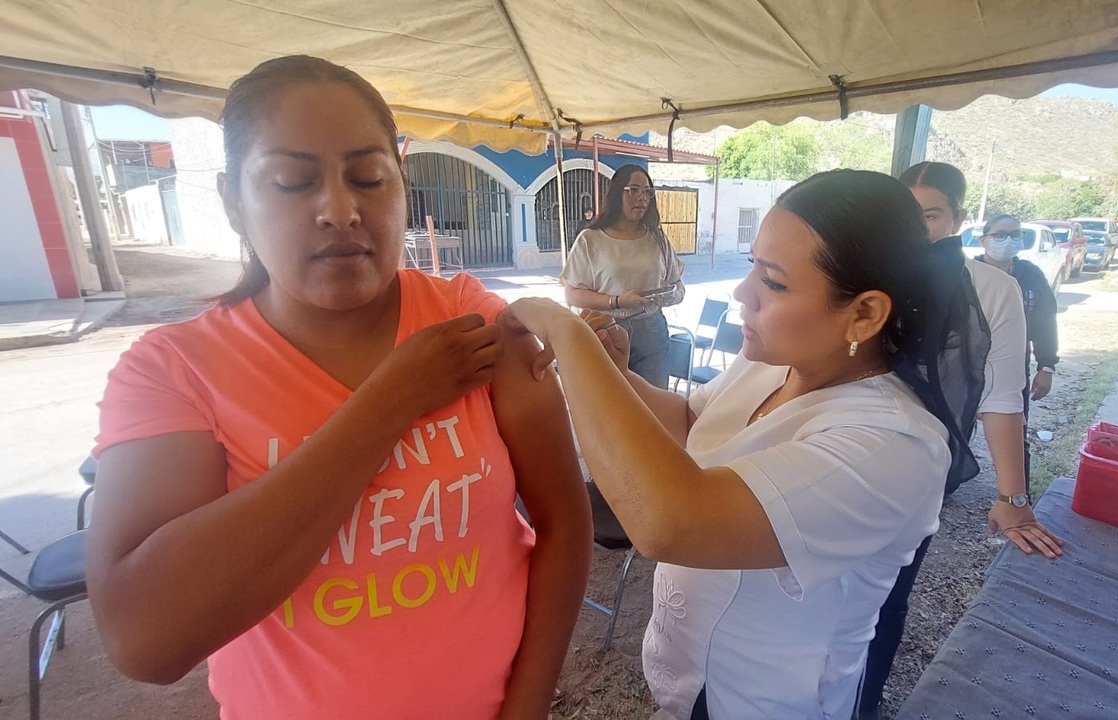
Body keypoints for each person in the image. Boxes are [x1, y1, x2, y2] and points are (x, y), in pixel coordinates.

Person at [85, 55, 592, 720]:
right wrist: (389, 402)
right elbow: (144, 641)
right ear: (233, 202)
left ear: (401, 182)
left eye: (368, 178)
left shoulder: (471, 324)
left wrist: (525, 710)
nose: (340, 210)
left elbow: (564, 524)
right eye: (292, 182)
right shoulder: (174, 371)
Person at [503, 169, 988, 719]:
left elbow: (670, 522)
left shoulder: (893, 445)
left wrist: (569, 339)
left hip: (772, 701)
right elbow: (691, 423)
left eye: (773, 282)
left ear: (864, 314)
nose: (742, 291)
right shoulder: (776, 362)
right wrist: (617, 374)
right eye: (754, 264)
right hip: (695, 676)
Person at [854, 162, 1066, 719]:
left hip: (922, 465)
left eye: (930, 215)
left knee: (888, 593)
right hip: (842, 449)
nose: (916, 229)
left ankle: (863, 703)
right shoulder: (865, 271)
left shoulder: (992, 289)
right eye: (906, 215)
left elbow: (1001, 395)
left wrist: (1012, 497)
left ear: (958, 217)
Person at [560, 164, 686, 387]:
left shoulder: (657, 238)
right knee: (608, 399)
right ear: (618, 193)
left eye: (647, 192)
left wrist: (670, 296)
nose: (642, 198)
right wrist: (618, 301)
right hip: (606, 329)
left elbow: (677, 284)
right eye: (634, 190)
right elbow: (572, 295)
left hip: (651, 330)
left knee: (655, 400)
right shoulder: (591, 239)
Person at [977, 213, 1061, 484]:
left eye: (1015, 234)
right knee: (954, 428)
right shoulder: (968, 274)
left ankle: (1017, 494)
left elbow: (1045, 321)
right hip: (968, 362)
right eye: (999, 235)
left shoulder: (1030, 276)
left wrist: (1046, 365)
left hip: (1012, 366)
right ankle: (946, 485)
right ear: (983, 240)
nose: (1008, 240)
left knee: (1014, 430)